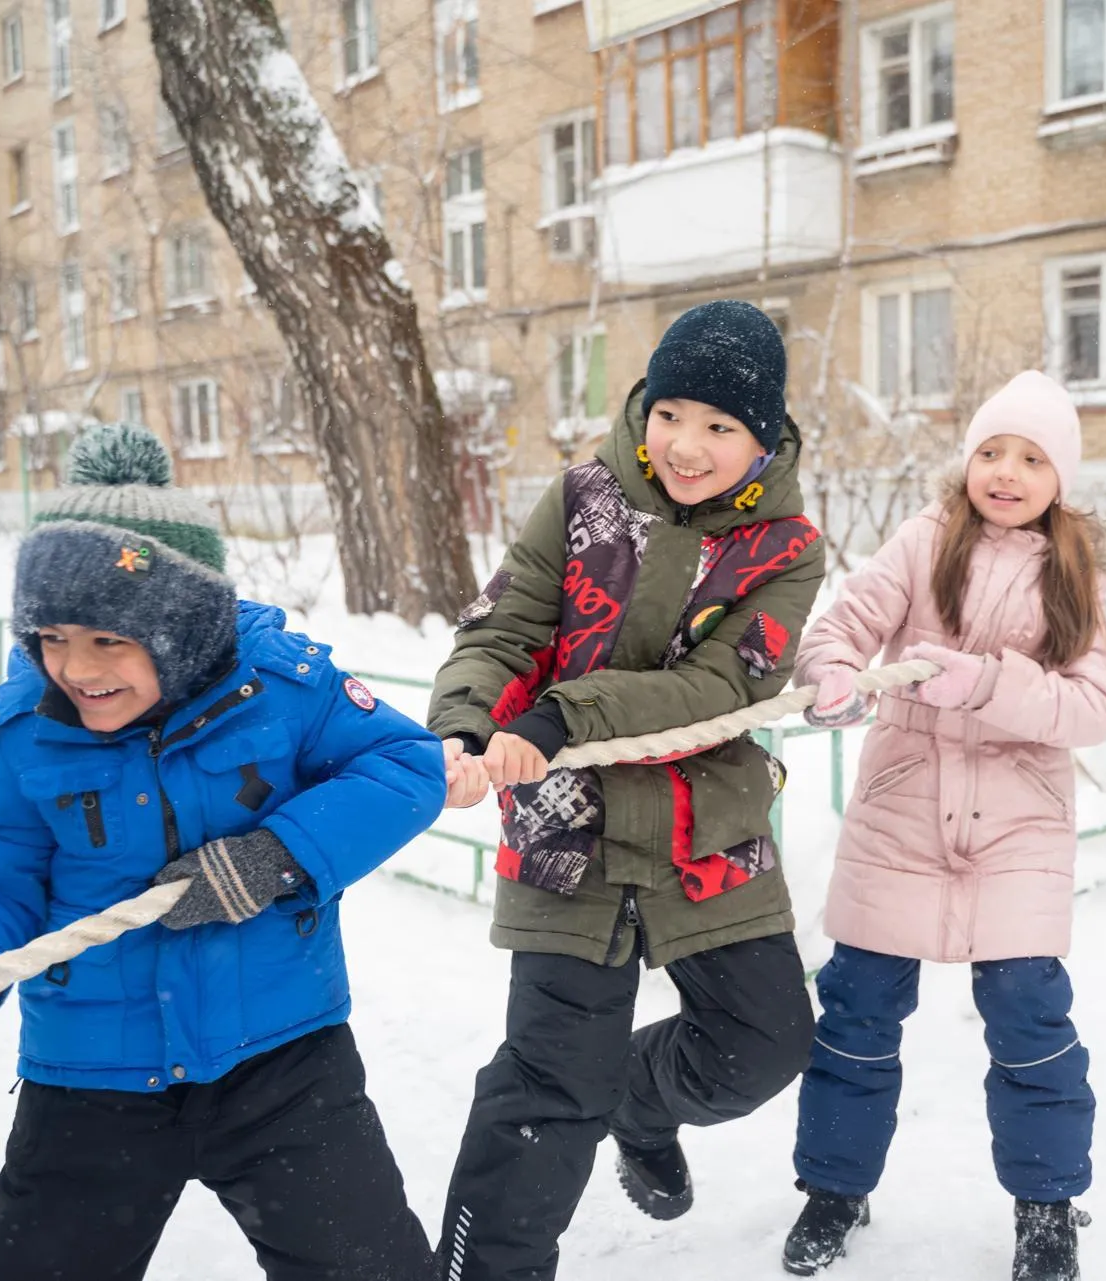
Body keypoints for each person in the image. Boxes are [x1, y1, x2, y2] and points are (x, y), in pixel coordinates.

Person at [0, 424, 447, 1280]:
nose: (76, 667)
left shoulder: (281, 687)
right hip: (92, 1074)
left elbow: (406, 765)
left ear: (179, 629)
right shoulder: (19, 730)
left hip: (284, 1063)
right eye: (54, 635)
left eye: (110, 640)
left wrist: (276, 856)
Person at [427, 300, 826, 1281]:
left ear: (763, 437)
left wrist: (565, 715)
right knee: (549, 1089)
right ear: (645, 403)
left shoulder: (786, 548)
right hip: (571, 833)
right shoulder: (582, 502)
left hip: (710, 830)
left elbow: (721, 687)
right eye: (672, 412)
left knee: (765, 1046)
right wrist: (467, 723)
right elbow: (503, 626)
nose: (688, 444)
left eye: (721, 427)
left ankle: (637, 1103)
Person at [781, 370, 1106, 1281]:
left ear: (1061, 478)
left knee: (1029, 1017)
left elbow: (1095, 704)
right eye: (990, 451)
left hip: (1019, 829)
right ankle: (833, 1188)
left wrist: (986, 683)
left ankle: (1047, 1207)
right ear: (967, 459)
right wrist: (832, 672)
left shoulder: (1073, 574)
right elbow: (844, 624)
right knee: (856, 1009)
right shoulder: (924, 539)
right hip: (900, 817)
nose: (1006, 471)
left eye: (1031, 457)